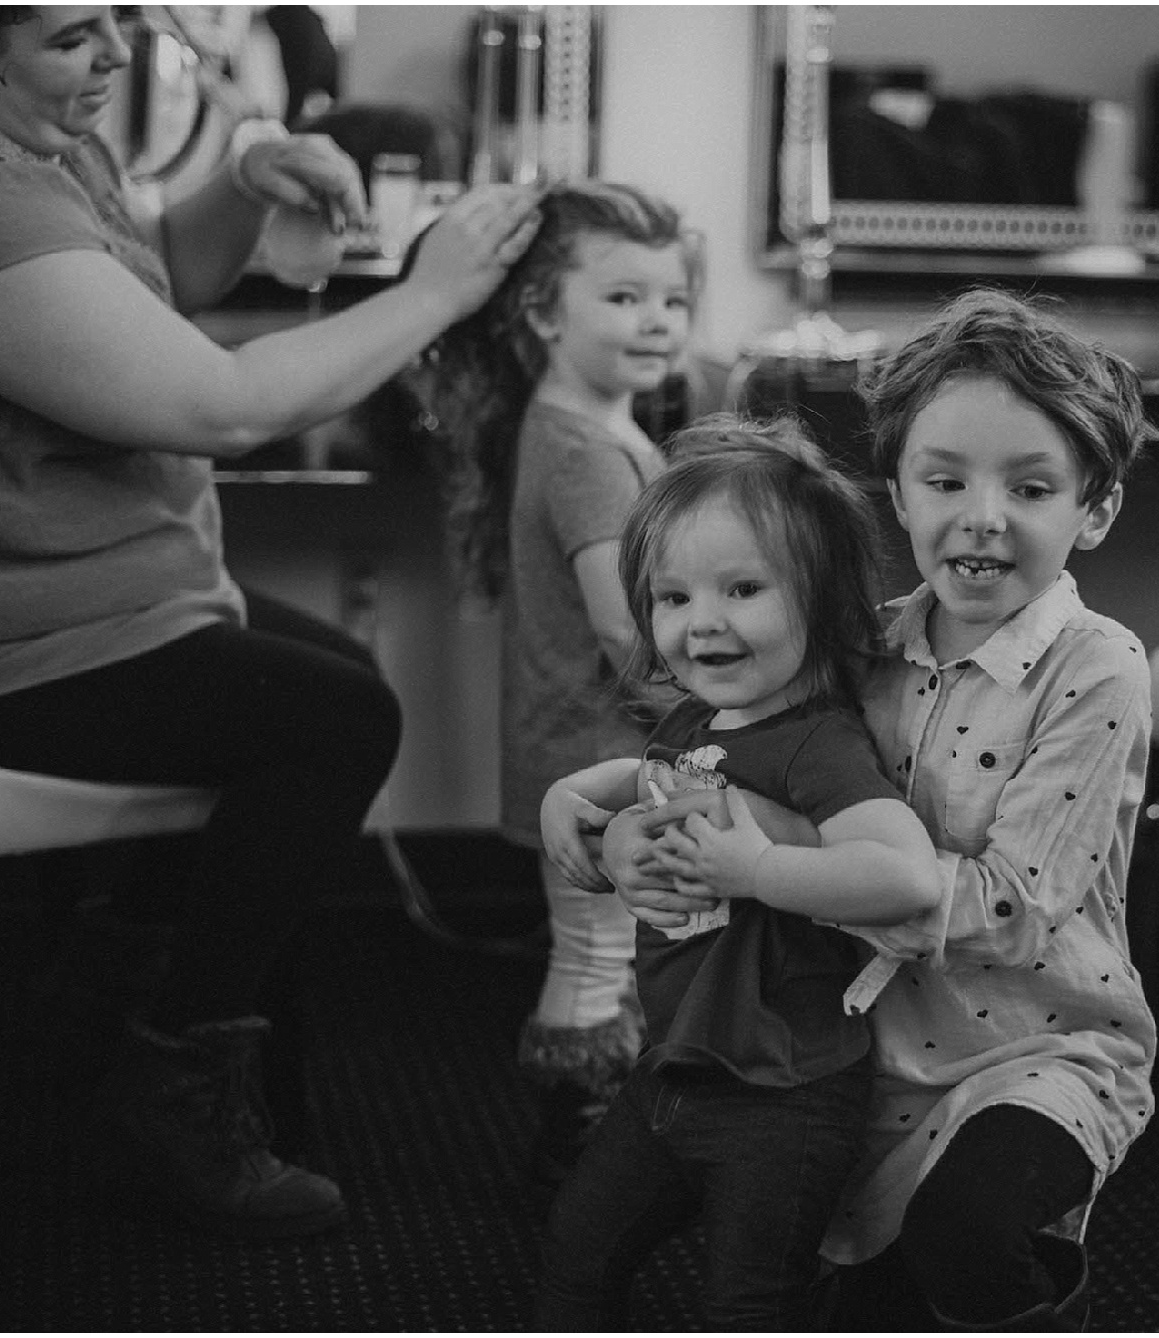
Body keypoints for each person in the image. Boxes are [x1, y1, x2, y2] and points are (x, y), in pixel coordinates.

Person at [0, 6, 541, 1239]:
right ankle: (175, 1083)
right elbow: (222, 403)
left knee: (328, 681)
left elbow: (147, 276)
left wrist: (243, 180)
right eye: (72, 38)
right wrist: (439, 291)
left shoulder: (25, 142)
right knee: (332, 719)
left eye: (115, 26)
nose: (113, 58)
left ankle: (104, 1023)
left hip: (105, 596)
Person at [610, 288, 1159, 1329]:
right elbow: (715, 752)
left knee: (967, 1234)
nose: (979, 515)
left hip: (1037, 1052)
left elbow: (1008, 908)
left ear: (1093, 508)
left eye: (1030, 487)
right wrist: (610, 826)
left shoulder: (1096, 669)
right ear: (898, 495)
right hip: (862, 1054)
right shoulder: (856, 645)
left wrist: (770, 859)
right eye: (943, 480)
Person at [531, 420, 941, 1328]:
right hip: (674, 1071)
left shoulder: (818, 749)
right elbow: (649, 775)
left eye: (743, 589)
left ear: (823, 602)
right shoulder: (701, 722)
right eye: (671, 597)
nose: (700, 621)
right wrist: (574, 793)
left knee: (749, 1306)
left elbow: (906, 878)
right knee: (574, 1253)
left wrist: (759, 868)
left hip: (785, 1099)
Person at [412, 179, 696, 1185]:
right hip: (602, 755)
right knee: (597, 955)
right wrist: (714, 717)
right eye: (622, 297)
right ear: (542, 312)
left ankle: (590, 1150)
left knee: (601, 951)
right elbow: (624, 620)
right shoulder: (585, 450)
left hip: (577, 750)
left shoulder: (576, 421)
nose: (656, 319)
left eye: (672, 298)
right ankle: (577, 1157)